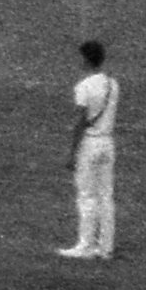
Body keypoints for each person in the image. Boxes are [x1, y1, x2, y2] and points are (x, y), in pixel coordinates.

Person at [59, 39, 118, 261]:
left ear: (85, 60)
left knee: (86, 196)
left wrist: (71, 153)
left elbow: (80, 122)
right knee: (106, 195)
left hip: (90, 144)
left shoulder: (83, 87)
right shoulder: (113, 84)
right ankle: (106, 247)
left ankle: (85, 244)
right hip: (107, 142)